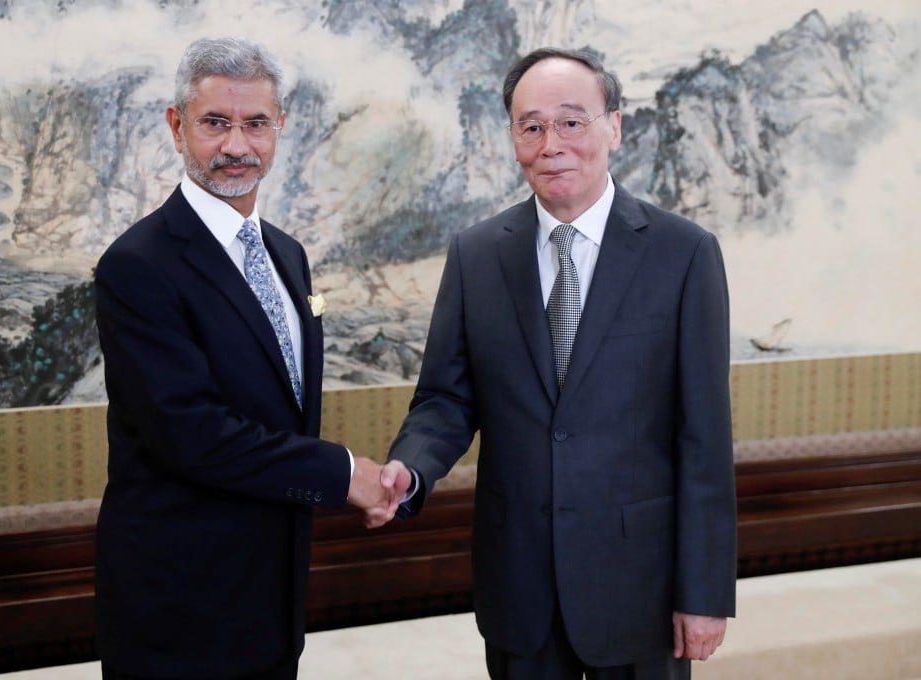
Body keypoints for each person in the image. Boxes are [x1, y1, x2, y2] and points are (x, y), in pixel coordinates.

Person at [385, 47, 737, 679]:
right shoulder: (476, 254)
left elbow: (705, 436)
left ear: (614, 128)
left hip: (641, 590)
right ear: (514, 138)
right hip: (518, 586)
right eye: (532, 125)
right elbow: (445, 398)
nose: (553, 144)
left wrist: (705, 593)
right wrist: (409, 471)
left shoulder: (684, 254)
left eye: (572, 122)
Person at [93, 37, 408, 680]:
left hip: (273, 596)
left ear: (280, 127)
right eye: (215, 123)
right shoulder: (137, 265)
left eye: (255, 123)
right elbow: (191, 434)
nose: (237, 146)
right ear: (177, 126)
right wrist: (344, 473)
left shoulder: (287, 254)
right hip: (178, 603)